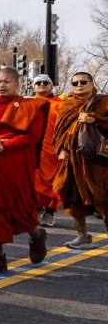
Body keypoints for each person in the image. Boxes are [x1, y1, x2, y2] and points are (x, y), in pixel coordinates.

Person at [0, 68, 49, 274]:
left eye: (7, 81)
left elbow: (31, 137)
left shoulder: (30, 106)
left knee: (19, 208)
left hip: (16, 166)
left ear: (17, 84)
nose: (2, 85)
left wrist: (3, 144)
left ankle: (36, 235)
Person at [53, 72, 108, 248]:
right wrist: (61, 150)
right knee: (73, 198)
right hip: (73, 160)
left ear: (92, 84)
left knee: (103, 197)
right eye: (75, 83)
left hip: (99, 161)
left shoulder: (104, 102)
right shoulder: (67, 105)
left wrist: (96, 120)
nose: (79, 85)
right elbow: (59, 131)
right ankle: (82, 236)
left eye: (83, 82)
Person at [31, 74, 64, 228]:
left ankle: (49, 213)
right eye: (38, 82)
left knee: (54, 183)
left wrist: (64, 148)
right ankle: (36, 208)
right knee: (33, 181)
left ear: (51, 85)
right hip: (33, 149)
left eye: (45, 82)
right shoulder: (27, 103)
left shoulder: (60, 104)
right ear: (33, 86)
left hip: (54, 151)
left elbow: (66, 129)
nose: (42, 84)